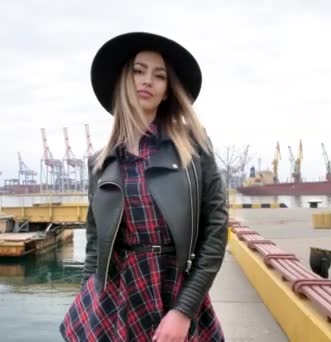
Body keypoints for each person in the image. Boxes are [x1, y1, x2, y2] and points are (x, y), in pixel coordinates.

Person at [60, 32, 228, 342]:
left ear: (167, 91)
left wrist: (183, 310)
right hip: (119, 298)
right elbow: (96, 244)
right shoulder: (100, 163)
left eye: (159, 75)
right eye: (139, 70)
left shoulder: (194, 148)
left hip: (177, 290)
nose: (147, 81)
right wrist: (87, 296)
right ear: (124, 80)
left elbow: (216, 231)